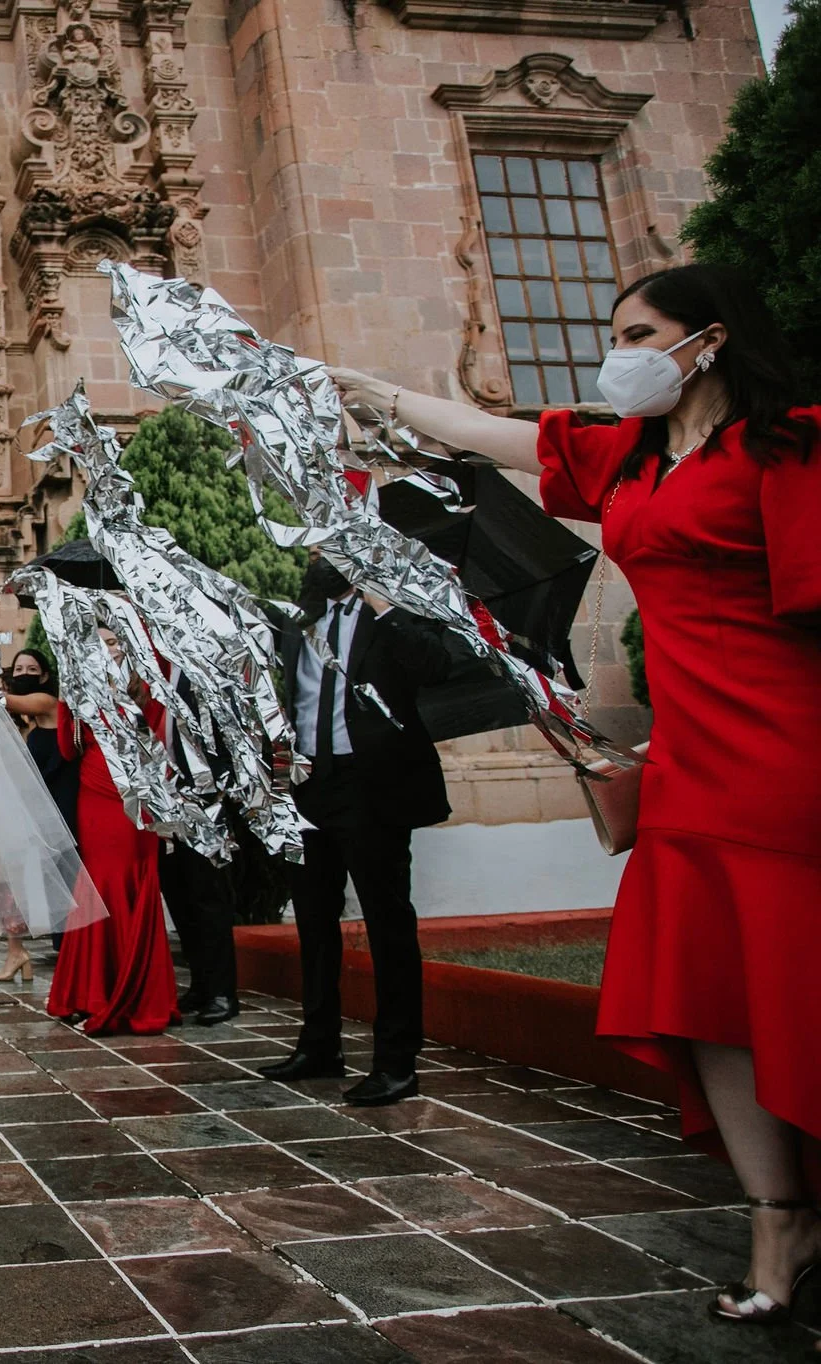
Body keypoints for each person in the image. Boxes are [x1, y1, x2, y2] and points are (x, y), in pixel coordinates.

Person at [328, 262, 820, 1332]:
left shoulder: (789, 446)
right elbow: (489, 434)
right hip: (685, 762)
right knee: (708, 1002)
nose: (620, 354)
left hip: (785, 753)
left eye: (641, 333)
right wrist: (368, 388)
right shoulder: (627, 459)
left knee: (797, 985)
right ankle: (777, 1217)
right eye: (616, 334)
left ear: (710, 340)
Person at [255, 555, 463, 1105]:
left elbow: (436, 666)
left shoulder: (397, 609)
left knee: (387, 923)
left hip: (373, 786)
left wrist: (384, 604)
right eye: (313, 550)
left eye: (329, 547)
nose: (317, 558)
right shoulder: (301, 617)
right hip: (308, 784)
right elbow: (288, 698)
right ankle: (319, 1045)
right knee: (313, 920)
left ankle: (397, 1062)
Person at [42, 635, 179, 1035]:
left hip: (135, 796)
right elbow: (68, 749)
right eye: (98, 642)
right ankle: (88, 993)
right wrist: (68, 696)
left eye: (115, 640)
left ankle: (131, 996)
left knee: (130, 883)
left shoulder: (146, 683)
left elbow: (159, 737)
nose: (108, 649)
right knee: (96, 886)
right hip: (94, 792)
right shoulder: (79, 686)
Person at [158, 661, 242, 1026]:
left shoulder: (201, 667)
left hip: (205, 800)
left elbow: (229, 726)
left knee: (209, 895)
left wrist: (220, 790)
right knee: (178, 893)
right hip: (164, 800)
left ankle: (223, 991)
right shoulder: (152, 669)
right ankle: (201, 984)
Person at [0, 648, 71, 980]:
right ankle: (36, 949)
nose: (24, 674)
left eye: (31, 669)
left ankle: (74, 946)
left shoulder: (47, 703)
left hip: (67, 805)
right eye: (19, 669)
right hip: (43, 812)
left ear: (44, 676)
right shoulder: (30, 724)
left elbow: (4, 702)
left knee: (69, 876)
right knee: (42, 879)